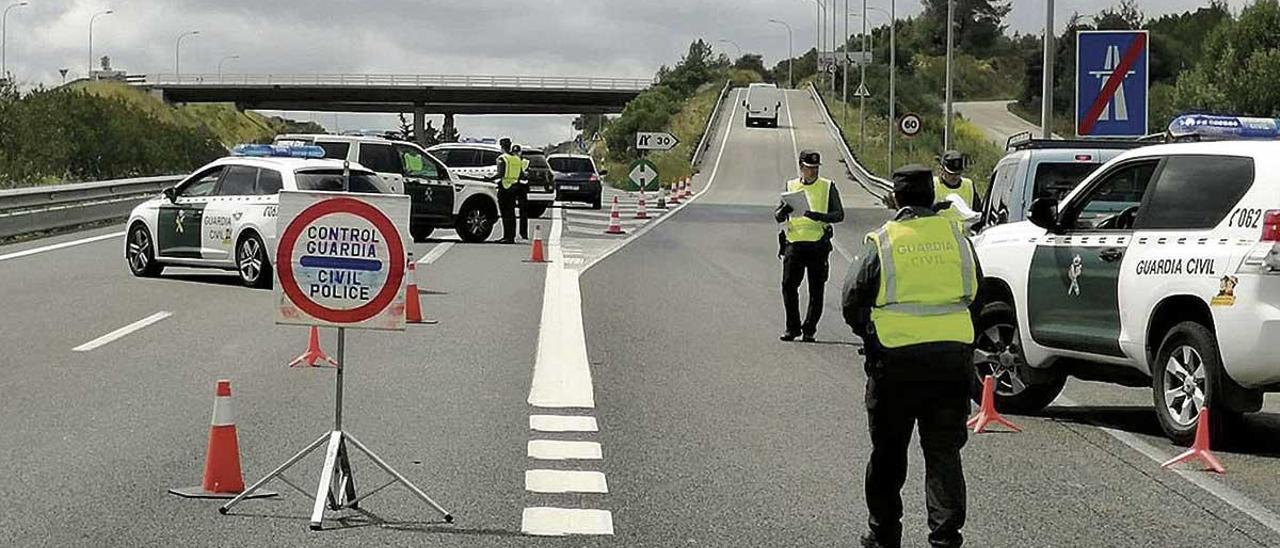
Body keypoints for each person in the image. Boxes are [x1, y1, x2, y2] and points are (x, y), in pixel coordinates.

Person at [842, 164, 983, 548]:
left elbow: (852, 301)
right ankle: (945, 538)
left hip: (895, 365)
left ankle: (883, 534)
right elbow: (977, 294)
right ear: (931, 196)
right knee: (943, 454)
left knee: (888, 454)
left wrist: (870, 334)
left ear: (895, 199)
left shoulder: (885, 240)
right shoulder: (958, 240)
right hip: (951, 364)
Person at [774, 149, 844, 342]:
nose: (813, 172)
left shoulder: (827, 186)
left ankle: (809, 329)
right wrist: (783, 211)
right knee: (788, 286)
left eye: (815, 168)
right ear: (801, 167)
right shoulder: (791, 186)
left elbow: (839, 215)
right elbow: (778, 215)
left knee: (816, 290)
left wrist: (818, 216)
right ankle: (792, 328)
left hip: (817, 246)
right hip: (794, 244)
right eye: (809, 168)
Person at [492, 138, 526, 243]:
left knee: (505, 214)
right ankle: (511, 237)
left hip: (505, 187)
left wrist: (488, 178)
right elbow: (521, 174)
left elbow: (500, 174)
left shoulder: (502, 158)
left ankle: (507, 236)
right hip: (515, 187)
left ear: (501, 146)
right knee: (511, 213)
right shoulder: (517, 159)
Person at [934, 150, 980, 224]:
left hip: (964, 234)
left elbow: (977, 211)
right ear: (942, 170)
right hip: (940, 233)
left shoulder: (969, 185)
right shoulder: (933, 185)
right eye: (951, 174)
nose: (955, 177)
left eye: (958, 173)